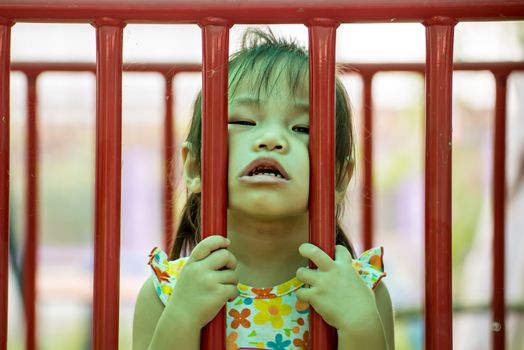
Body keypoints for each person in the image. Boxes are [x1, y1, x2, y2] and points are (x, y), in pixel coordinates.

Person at [132, 28, 394, 350]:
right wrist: (182, 318)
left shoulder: (362, 292)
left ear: (339, 177)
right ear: (195, 166)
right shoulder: (166, 292)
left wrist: (360, 324)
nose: (272, 139)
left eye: (303, 128)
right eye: (243, 122)